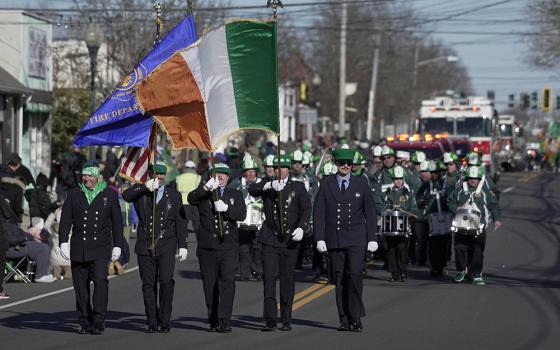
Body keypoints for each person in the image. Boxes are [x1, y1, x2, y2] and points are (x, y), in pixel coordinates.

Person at [313, 147, 378, 332]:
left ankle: (355, 317)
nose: (346, 166)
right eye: (342, 163)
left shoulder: (361, 184)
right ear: (336, 164)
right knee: (340, 278)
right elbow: (319, 213)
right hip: (335, 238)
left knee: (356, 275)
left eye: (349, 163)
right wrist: (319, 238)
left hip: (357, 237)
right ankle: (343, 318)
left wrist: (372, 237)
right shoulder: (327, 184)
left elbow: (370, 212)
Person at [58, 160, 124, 334]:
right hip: (79, 247)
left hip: (101, 247)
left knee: (101, 283)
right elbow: (65, 221)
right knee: (80, 287)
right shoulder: (74, 194)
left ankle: (99, 319)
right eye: (84, 175)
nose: (85, 178)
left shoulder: (109, 194)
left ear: (96, 176)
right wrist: (63, 242)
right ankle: (84, 320)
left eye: (89, 175)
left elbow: (117, 223)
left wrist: (118, 245)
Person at [123, 162, 188, 333]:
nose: (158, 177)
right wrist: (144, 187)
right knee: (148, 285)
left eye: (161, 174)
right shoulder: (142, 192)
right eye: (155, 174)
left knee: (166, 282)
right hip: (145, 245)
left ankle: (164, 319)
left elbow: (181, 221)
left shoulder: (173, 195)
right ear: (150, 175)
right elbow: (126, 195)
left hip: (167, 244)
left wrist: (183, 245)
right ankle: (151, 320)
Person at [249, 155, 311, 331]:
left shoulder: (298, 186)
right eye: (277, 167)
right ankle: (270, 319)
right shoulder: (267, 184)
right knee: (269, 280)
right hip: (270, 239)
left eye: (283, 167)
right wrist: (268, 185)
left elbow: (306, 209)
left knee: (287, 280)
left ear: (288, 169)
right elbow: (252, 189)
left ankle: (286, 318)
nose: (280, 171)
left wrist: (301, 228)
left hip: (290, 240)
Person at [188, 163, 246, 333]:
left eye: (223, 174)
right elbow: (191, 199)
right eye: (216, 173)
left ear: (228, 178)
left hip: (228, 246)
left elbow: (241, 214)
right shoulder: (204, 193)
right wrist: (206, 188)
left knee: (228, 283)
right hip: (208, 248)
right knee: (210, 285)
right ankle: (213, 318)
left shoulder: (234, 193)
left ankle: (225, 319)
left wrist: (227, 209)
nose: (219, 176)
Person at [447, 165, 502, 285]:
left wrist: (497, 219)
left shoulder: (484, 191)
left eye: (475, 178)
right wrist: (455, 209)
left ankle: (476, 274)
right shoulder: (460, 189)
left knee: (477, 250)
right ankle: (461, 270)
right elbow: (449, 200)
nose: (472, 180)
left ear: (479, 179)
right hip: (461, 226)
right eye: (470, 178)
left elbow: (493, 204)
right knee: (459, 248)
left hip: (479, 227)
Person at [375, 166, 418, 282]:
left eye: (400, 179)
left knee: (402, 249)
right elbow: (379, 206)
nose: (398, 181)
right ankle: (394, 273)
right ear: (392, 180)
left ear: (403, 179)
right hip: (389, 226)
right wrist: (386, 210)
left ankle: (402, 271)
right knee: (391, 250)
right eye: (395, 179)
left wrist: (409, 215)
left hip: (403, 227)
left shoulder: (408, 193)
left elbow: (414, 209)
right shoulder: (387, 193)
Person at [228, 156, 263, 282]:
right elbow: (228, 197)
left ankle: (259, 271)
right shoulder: (236, 184)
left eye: (252, 171)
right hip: (241, 223)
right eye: (247, 171)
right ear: (243, 173)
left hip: (259, 222)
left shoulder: (262, 183)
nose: (250, 174)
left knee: (258, 247)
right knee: (243, 248)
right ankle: (244, 273)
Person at [416, 161, 450, 277]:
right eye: (432, 172)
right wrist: (422, 201)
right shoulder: (427, 185)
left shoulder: (446, 184)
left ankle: (441, 266)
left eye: (436, 172)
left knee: (444, 244)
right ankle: (435, 268)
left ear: (440, 172)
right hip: (431, 219)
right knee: (433, 244)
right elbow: (418, 196)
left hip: (445, 218)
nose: (433, 175)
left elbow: (453, 197)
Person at [175, 160, 202, 234]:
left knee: (183, 221)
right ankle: (198, 236)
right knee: (196, 220)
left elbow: (175, 189)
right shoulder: (198, 177)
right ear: (194, 168)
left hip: (182, 202)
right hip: (194, 202)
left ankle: (182, 237)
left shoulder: (179, 177)